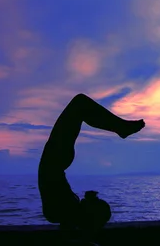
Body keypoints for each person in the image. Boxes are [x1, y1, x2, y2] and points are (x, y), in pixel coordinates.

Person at [37, 93, 145, 236]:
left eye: (96, 202)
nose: (91, 198)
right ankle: (122, 127)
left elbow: (69, 223)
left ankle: (122, 127)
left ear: (89, 213)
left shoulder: (63, 210)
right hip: (58, 161)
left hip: (56, 160)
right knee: (80, 104)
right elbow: (70, 225)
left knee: (80, 103)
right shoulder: (67, 211)